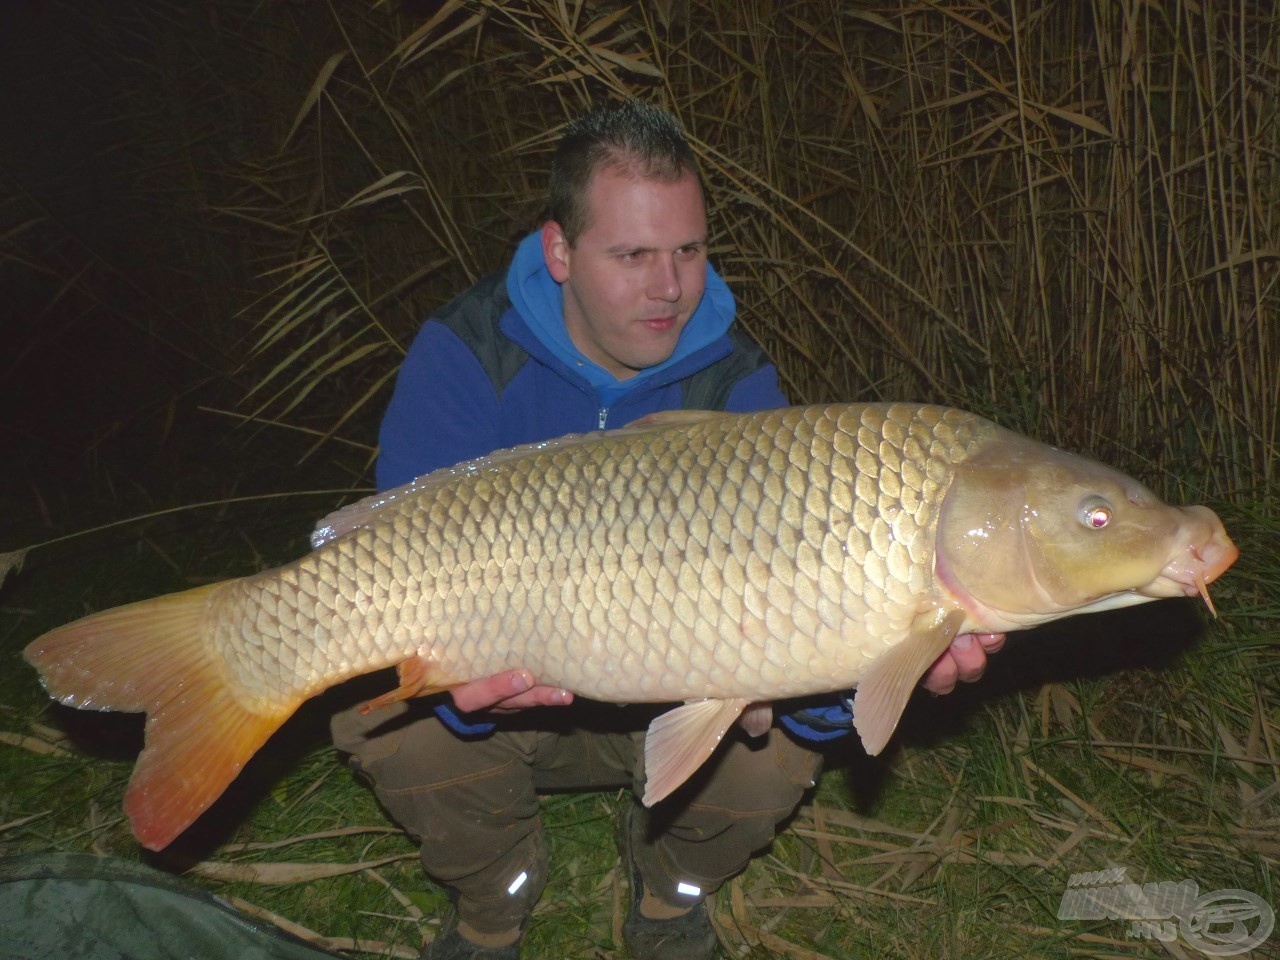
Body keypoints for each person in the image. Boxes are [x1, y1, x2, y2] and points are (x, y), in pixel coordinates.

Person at [330, 99, 1003, 960]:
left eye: (689, 250)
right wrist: (449, 690)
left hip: (677, 692)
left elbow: (804, 614)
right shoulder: (466, 354)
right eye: (634, 255)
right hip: (520, 701)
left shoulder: (739, 382)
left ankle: (669, 891)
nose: (671, 287)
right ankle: (493, 896)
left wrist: (865, 676)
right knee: (370, 704)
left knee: (785, 735)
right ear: (560, 252)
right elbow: (392, 565)